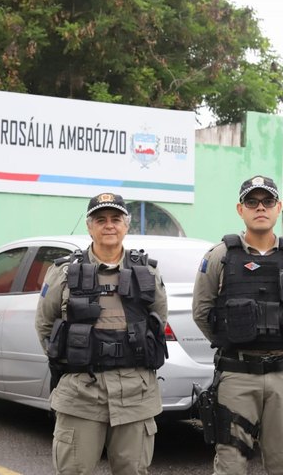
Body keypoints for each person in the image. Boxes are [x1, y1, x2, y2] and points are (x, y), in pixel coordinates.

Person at [192, 175, 283, 475]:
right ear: (241, 209)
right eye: (252, 202)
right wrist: (233, 338)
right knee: (230, 464)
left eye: (267, 201)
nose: (260, 207)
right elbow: (202, 312)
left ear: (279, 208)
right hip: (237, 374)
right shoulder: (219, 257)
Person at [35, 192, 168, 475]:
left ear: (126, 225)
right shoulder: (63, 272)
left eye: (115, 219)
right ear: (89, 225)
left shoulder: (147, 272)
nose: (109, 225)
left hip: (136, 395)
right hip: (81, 393)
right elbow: (45, 325)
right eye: (101, 219)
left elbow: (158, 321)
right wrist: (73, 359)